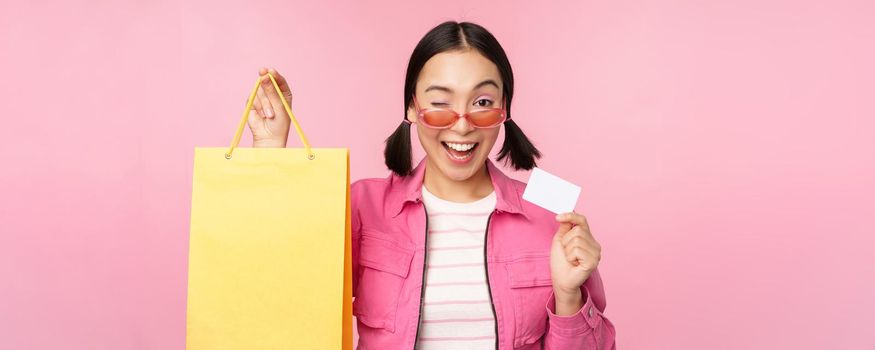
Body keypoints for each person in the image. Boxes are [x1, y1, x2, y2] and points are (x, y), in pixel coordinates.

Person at [249, 21, 616, 350]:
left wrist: (569, 297)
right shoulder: (364, 205)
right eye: (440, 103)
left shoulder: (551, 213)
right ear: (411, 107)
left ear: (505, 109)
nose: (461, 125)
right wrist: (270, 152)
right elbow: (285, 293)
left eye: (483, 102)